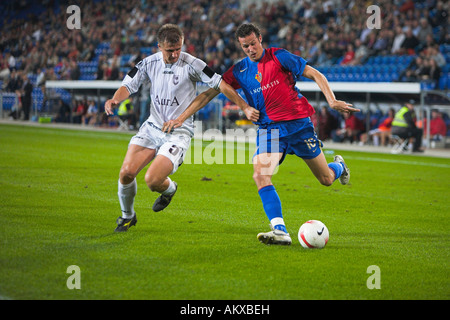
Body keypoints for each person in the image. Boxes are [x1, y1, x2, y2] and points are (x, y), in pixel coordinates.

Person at [163, 23, 359, 245]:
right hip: (270, 130)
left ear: (260, 39)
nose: (250, 49)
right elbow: (209, 93)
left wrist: (332, 100)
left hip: (299, 125)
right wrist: (180, 118)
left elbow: (314, 73)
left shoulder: (279, 57)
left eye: (253, 44)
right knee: (260, 175)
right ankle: (279, 229)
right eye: (245, 46)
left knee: (326, 179)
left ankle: (339, 166)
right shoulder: (239, 71)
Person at [104, 24, 258, 232]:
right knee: (126, 173)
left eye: (179, 49)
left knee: (152, 180)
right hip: (152, 127)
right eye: (170, 50)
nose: (176, 54)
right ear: (159, 47)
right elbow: (128, 85)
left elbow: (221, 85)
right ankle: (127, 216)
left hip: (178, 133)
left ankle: (170, 189)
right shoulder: (148, 63)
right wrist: (115, 99)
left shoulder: (193, 64)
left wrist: (245, 107)